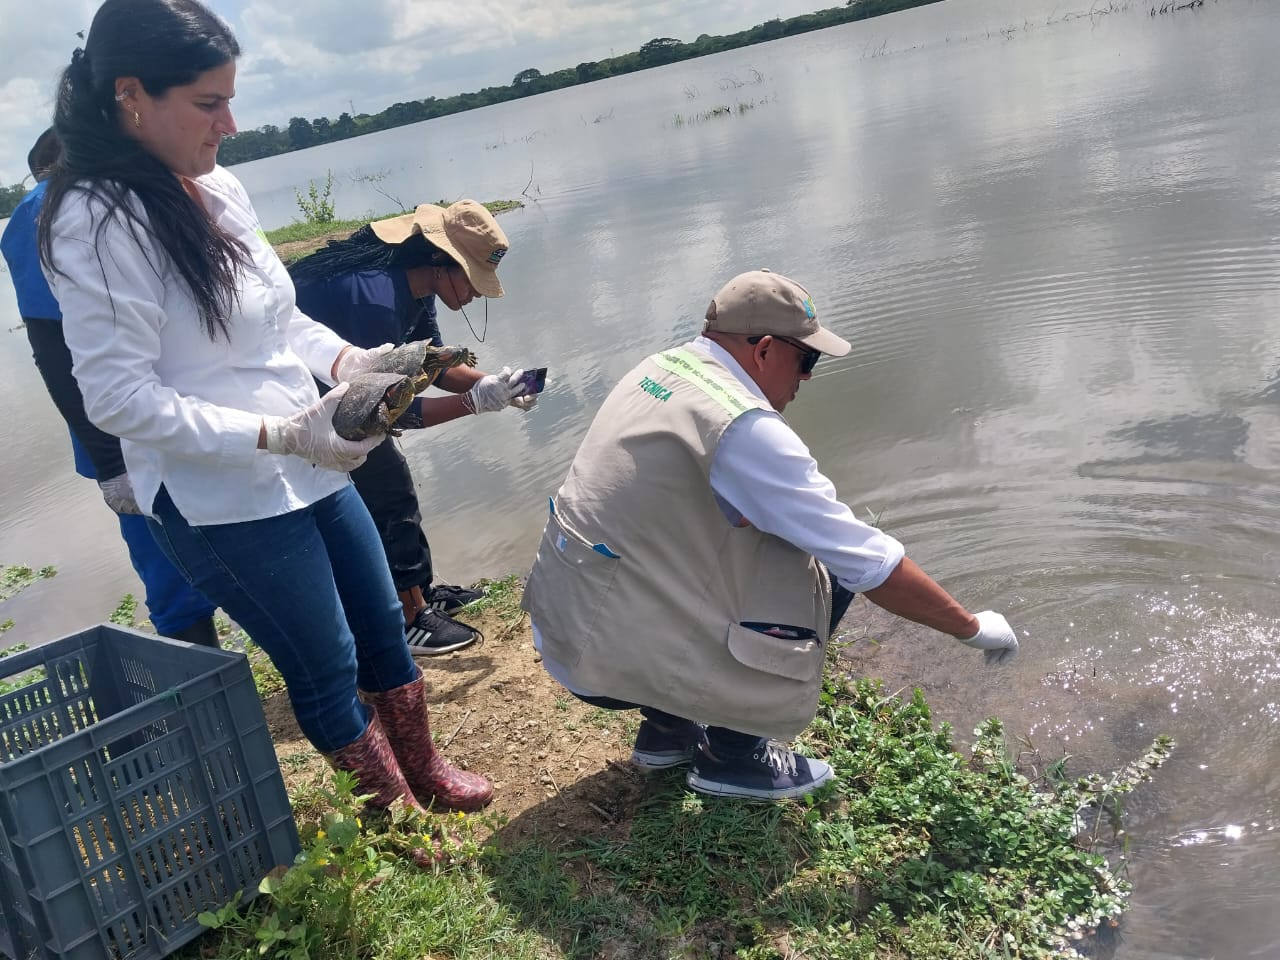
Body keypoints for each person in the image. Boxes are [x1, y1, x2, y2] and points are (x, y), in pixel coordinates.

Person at [38, 0, 524, 820]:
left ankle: (427, 772)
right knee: (325, 662)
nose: (229, 124)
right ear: (130, 95)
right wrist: (280, 433)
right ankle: (394, 818)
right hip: (218, 494)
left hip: (312, 459)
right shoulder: (93, 223)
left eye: (230, 100)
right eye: (208, 103)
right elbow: (119, 398)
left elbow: (280, 320)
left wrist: (352, 362)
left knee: (381, 622)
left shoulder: (218, 187)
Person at [522, 269, 1020, 801]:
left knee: (728, 546)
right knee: (826, 569)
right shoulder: (745, 428)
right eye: (806, 361)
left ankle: (667, 732)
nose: (806, 380)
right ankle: (733, 757)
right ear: (763, 350)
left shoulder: (660, 367)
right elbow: (869, 563)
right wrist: (973, 628)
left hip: (566, 626)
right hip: (603, 657)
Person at [1, 127, 219, 646]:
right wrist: (110, 463)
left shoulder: (144, 190)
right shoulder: (46, 211)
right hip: (127, 431)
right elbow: (55, 350)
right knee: (173, 571)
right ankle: (213, 682)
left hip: (195, 407)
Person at [287, 203, 536, 655]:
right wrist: (473, 403)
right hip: (304, 400)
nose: (475, 294)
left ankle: (419, 591)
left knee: (392, 488)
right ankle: (408, 618)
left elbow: (433, 366)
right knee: (387, 490)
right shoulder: (375, 298)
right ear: (442, 262)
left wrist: (498, 385)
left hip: (350, 389)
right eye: (471, 279)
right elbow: (387, 410)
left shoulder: (416, 287)